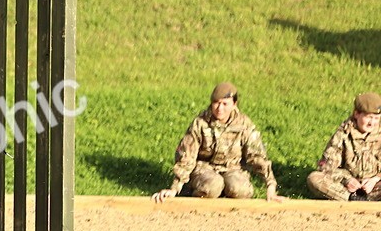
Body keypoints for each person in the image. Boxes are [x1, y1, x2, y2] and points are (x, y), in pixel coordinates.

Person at [153, 82, 282, 202]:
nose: (220, 108)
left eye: (225, 104)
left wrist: (270, 185)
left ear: (234, 104)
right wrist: (174, 188)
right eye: (216, 103)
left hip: (233, 169)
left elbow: (256, 156)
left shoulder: (244, 124)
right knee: (212, 186)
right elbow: (187, 156)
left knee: (240, 190)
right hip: (204, 169)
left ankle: (225, 194)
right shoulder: (200, 123)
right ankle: (195, 190)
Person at [307, 93, 381, 201]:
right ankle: (353, 199)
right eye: (369, 117)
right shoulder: (343, 135)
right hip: (347, 189)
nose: (372, 123)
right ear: (356, 114)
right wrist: (347, 180)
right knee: (314, 178)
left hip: (374, 187)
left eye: (376, 118)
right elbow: (326, 167)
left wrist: (375, 179)